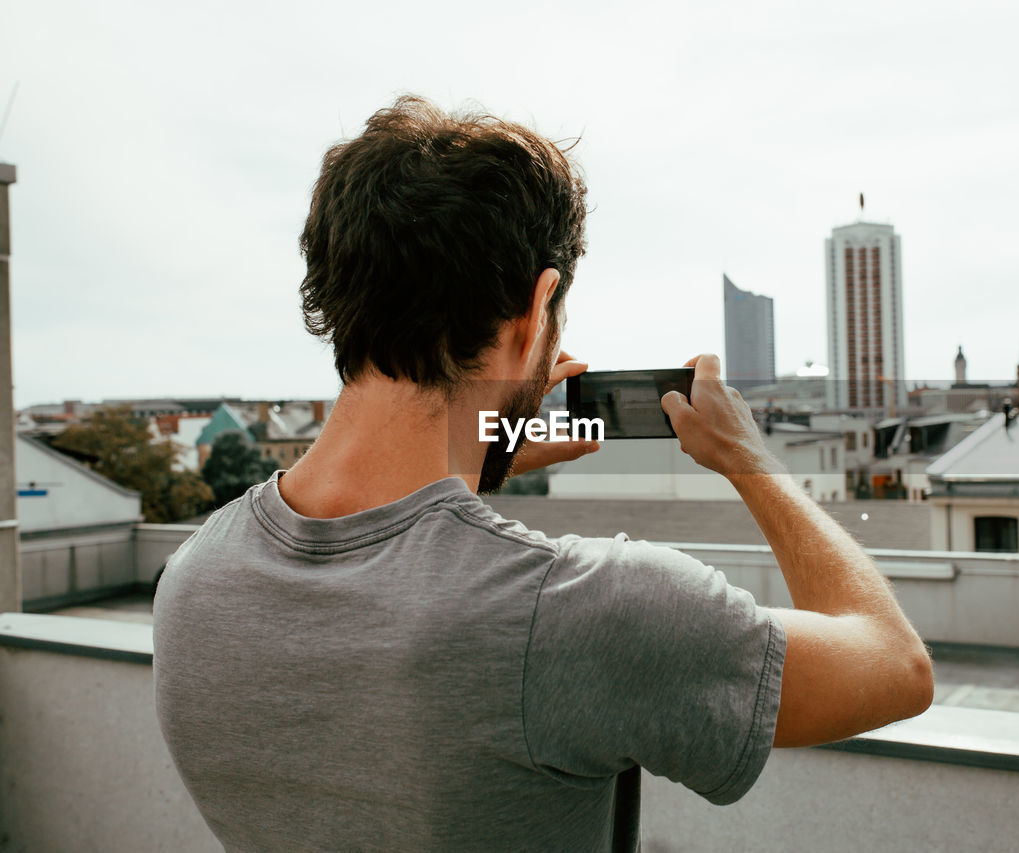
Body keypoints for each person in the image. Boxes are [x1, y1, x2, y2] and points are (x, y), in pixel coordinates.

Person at [153, 95, 933, 852]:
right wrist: (752, 461)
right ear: (536, 311)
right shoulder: (584, 612)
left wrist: (469, 468)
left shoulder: (194, 578)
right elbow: (895, 664)